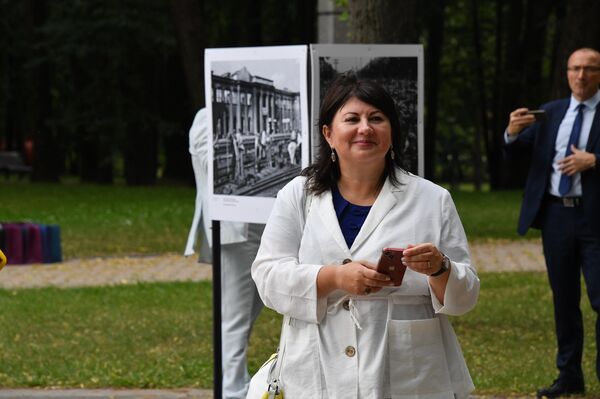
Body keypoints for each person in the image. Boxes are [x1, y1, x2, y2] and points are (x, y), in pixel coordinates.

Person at [251, 74, 479, 398]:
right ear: (328, 134)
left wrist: (441, 269)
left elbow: (466, 296)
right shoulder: (297, 196)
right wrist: (333, 277)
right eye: (352, 119)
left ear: (392, 133)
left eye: (376, 118)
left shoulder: (432, 199)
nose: (365, 128)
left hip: (408, 372)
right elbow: (267, 276)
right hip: (316, 366)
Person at [504, 47, 600, 398]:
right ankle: (569, 375)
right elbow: (515, 152)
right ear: (567, 73)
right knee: (564, 298)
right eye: (575, 68)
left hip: (595, 219)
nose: (581, 75)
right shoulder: (553, 112)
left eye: (589, 69)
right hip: (557, 215)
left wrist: (595, 160)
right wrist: (512, 132)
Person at [184, 108, 264, 399]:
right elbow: (213, 168)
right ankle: (233, 390)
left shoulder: (244, 116)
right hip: (234, 231)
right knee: (235, 315)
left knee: (253, 308)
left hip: (264, 227)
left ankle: (237, 384)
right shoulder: (206, 118)